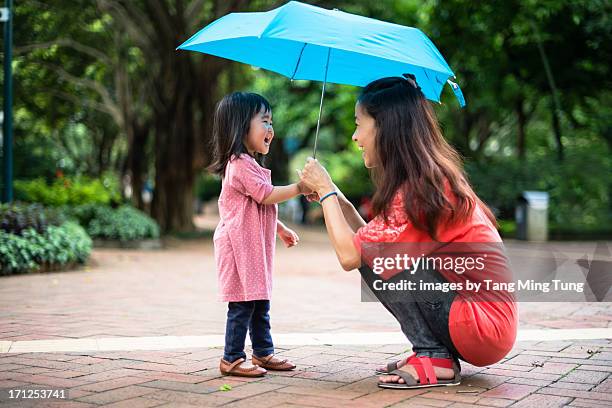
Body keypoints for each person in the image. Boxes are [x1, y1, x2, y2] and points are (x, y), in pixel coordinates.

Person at [299, 76, 517, 389]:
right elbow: (372, 244)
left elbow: (350, 256)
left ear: (385, 127)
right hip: (482, 323)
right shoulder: (426, 180)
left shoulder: (420, 191)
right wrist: (334, 194)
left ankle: (433, 356)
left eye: (360, 124)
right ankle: (433, 351)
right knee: (376, 254)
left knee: (376, 257)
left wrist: (324, 192)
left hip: (480, 325)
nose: (355, 136)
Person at [209, 92, 308, 377]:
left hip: (253, 248)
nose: (271, 129)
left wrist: (280, 228)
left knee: (260, 300)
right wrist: (300, 187)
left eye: (271, 122)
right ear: (241, 126)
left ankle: (263, 352)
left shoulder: (252, 164)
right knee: (242, 304)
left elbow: (258, 206)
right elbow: (266, 195)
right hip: (238, 249)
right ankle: (231, 357)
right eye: (264, 121)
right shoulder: (238, 164)